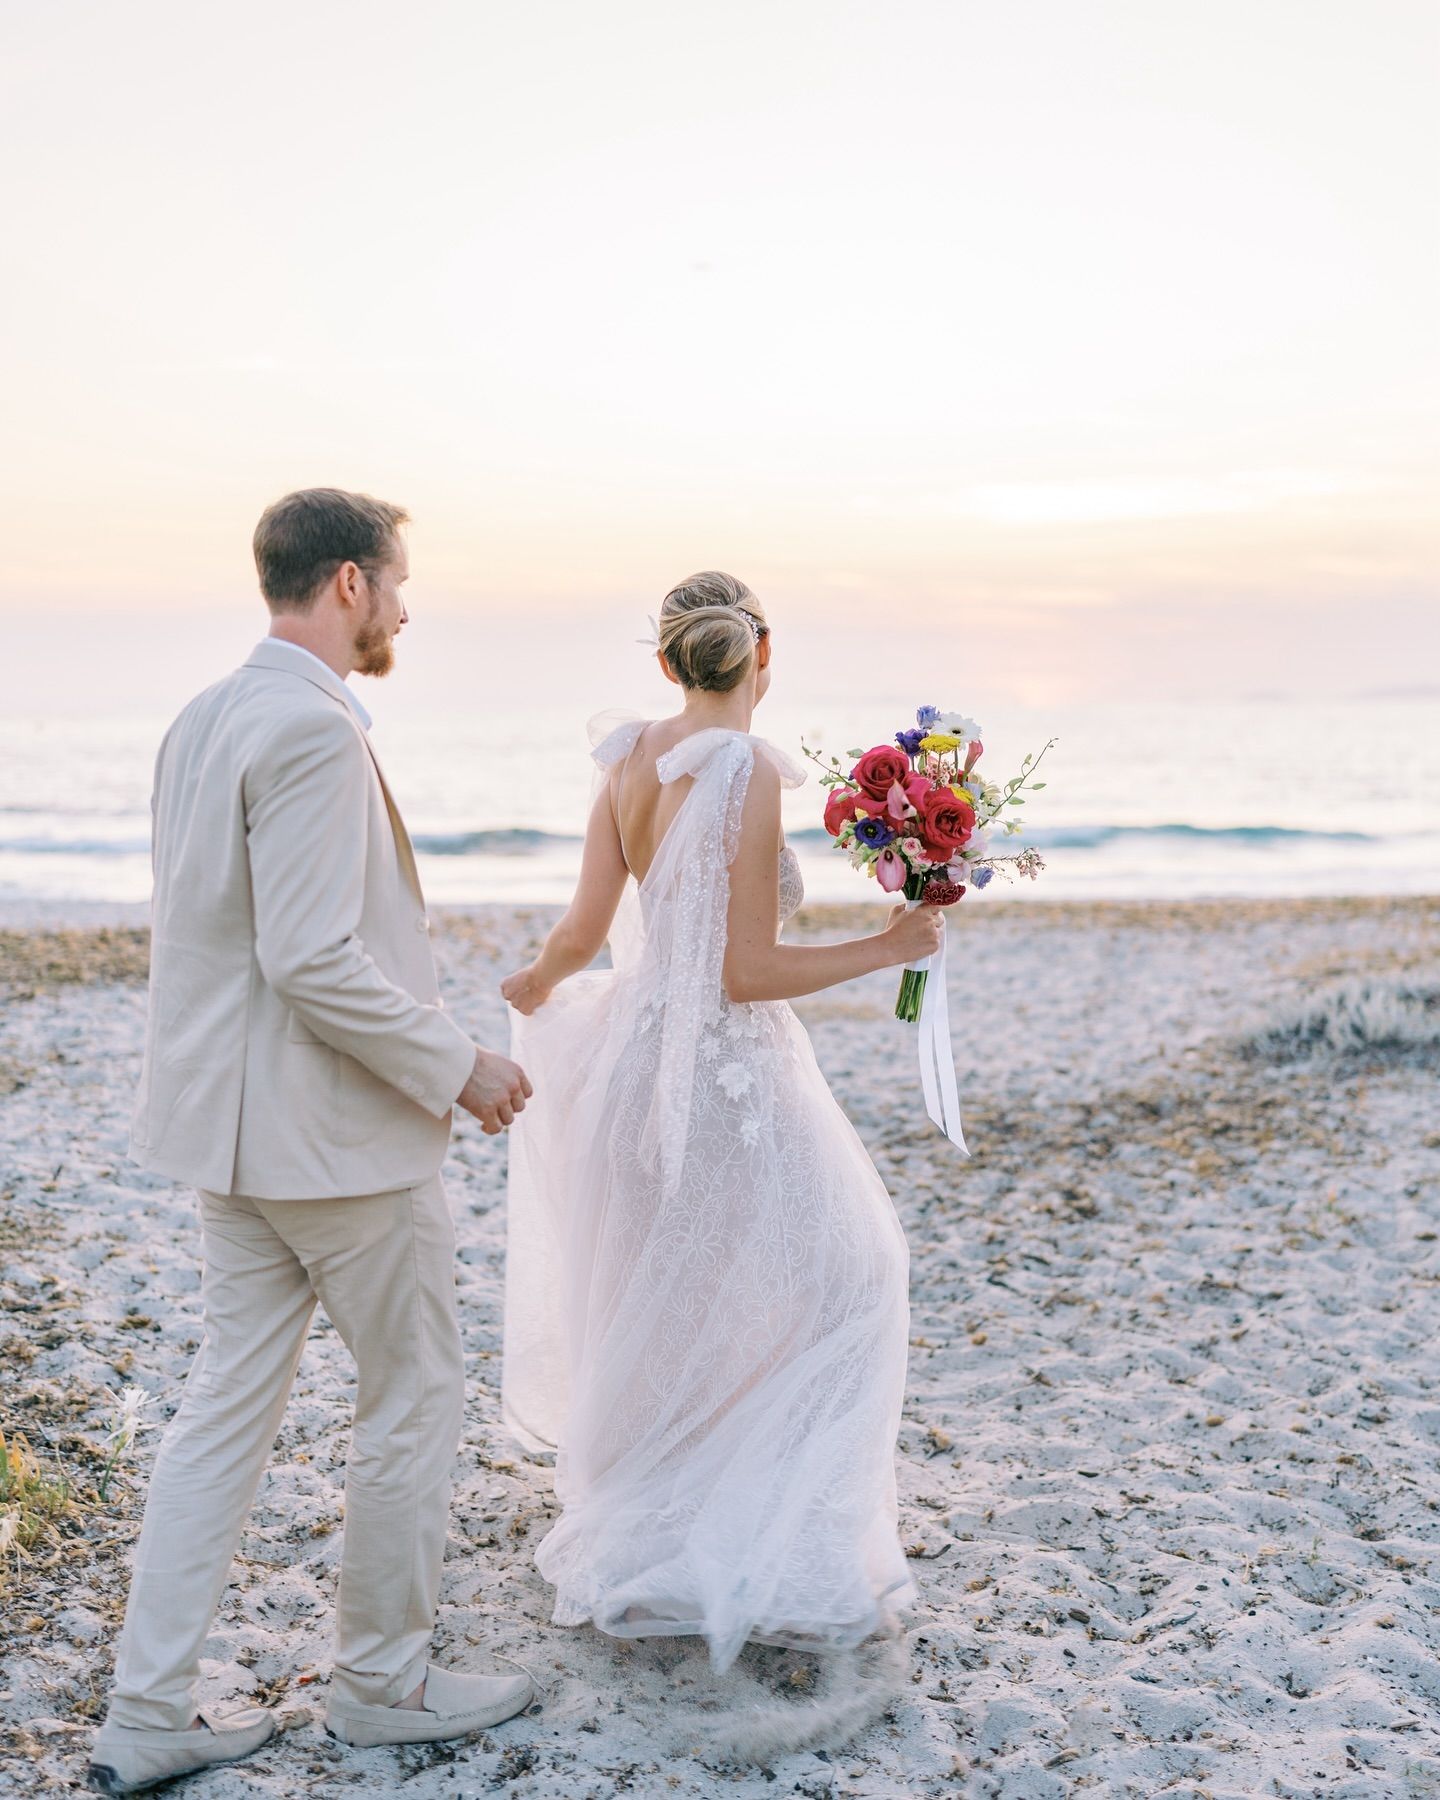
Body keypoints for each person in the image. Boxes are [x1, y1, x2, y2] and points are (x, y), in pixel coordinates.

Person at [88, 489, 535, 1797]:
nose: (404, 607)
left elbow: (211, 943)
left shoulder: (201, 717)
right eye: (397, 583)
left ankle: (146, 1711)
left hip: (226, 1142)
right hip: (334, 1147)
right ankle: (383, 1684)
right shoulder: (311, 729)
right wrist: (459, 1067)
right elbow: (309, 956)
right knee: (415, 1394)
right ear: (348, 583)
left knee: (221, 1416)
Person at [499, 571, 942, 1672]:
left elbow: (583, 929)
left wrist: (531, 989)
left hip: (631, 1069)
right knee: (854, 1274)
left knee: (683, 1299)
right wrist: (890, 949)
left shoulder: (627, 758)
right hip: (724, 1079)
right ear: (764, 652)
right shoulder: (744, 765)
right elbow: (746, 971)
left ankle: (684, 1511)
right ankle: (767, 1536)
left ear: (666, 662)